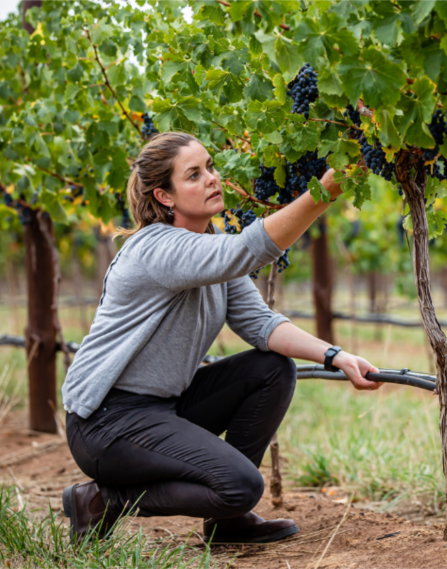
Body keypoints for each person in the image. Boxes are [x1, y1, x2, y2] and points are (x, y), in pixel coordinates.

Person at [60, 132, 382, 546]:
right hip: (106, 422)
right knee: (240, 486)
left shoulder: (208, 245)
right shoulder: (157, 249)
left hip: (163, 408)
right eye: (193, 175)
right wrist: (324, 190)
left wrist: (336, 356)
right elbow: (248, 251)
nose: (212, 178)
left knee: (271, 368)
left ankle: (228, 521)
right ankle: (102, 500)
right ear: (165, 196)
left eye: (210, 166)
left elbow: (262, 325)